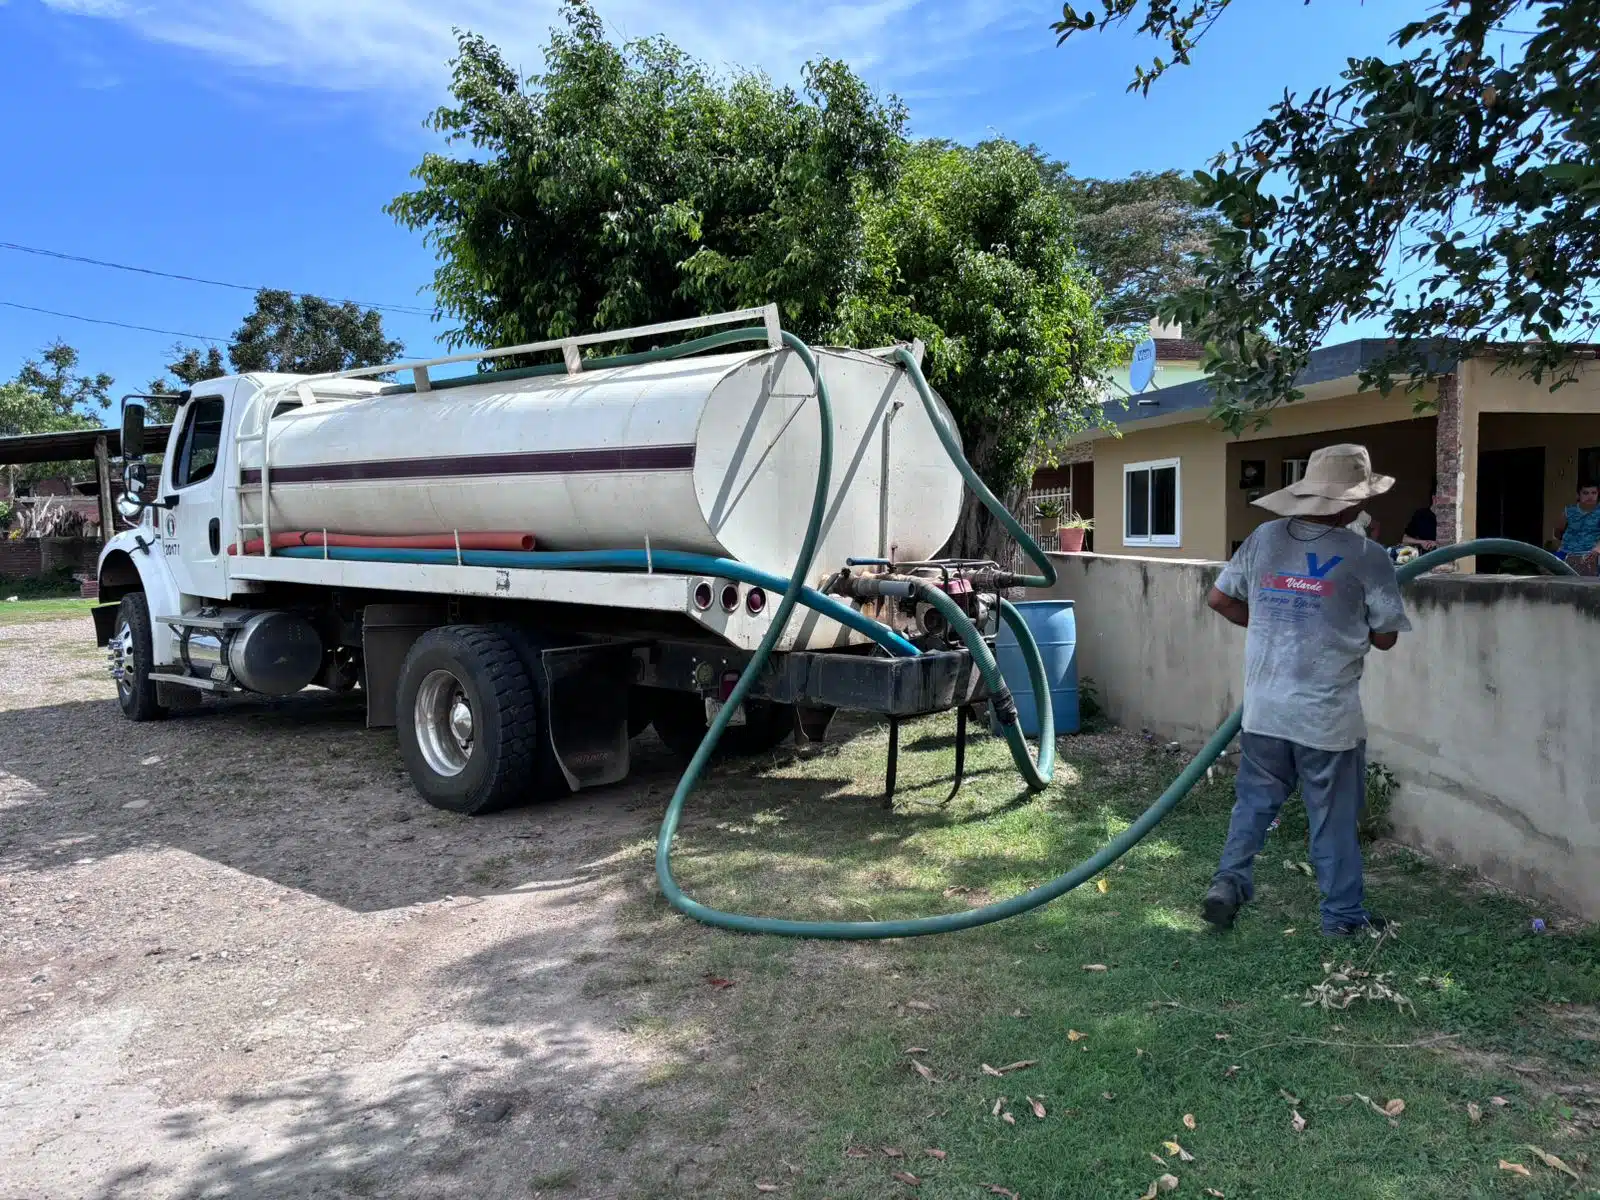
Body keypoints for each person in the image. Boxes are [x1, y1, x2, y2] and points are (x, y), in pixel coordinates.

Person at [1202, 444, 1411, 937]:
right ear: (1352, 504)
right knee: (1333, 820)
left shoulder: (1264, 538)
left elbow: (1219, 599)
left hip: (1264, 711)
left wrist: (1276, 624)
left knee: (1253, 805)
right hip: (1326, 720)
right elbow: (1385, 637)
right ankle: (1341, 919)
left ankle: (1228, 884)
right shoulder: (1367, 555)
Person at [1555, 481, 1600, 576]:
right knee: (1544, 570)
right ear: (1578, 495)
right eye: (1585, 493)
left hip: (1590, 553)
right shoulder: (1569, 511)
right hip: (1566, 551)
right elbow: (1558, 531)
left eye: (1593, 493)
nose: (1590, 496)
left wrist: (1597, 549)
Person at [1402, 480, 1440, 551]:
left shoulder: (1448, 518)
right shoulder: (1421, 515)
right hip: (1424, 557)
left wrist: (1437, 544)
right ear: (1434, 498)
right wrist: (1422, 542)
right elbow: (1404, 539)